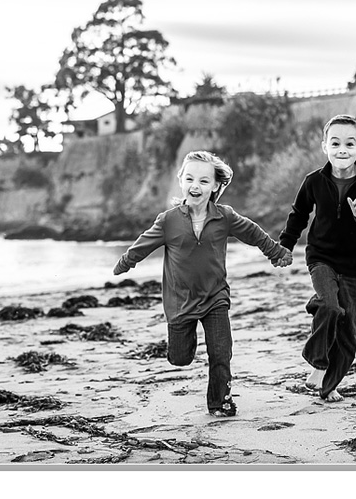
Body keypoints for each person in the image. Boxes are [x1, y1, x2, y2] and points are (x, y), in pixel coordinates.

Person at [113, 150, 293, 417]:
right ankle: (184, 343)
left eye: (203, 181)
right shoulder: (169, 220)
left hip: (215, 297)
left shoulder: (225, 217)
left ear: (216, 186)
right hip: (180, 301)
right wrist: (126, 262)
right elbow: (144, 243)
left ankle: (220, 402)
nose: (195, 186)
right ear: (181, 181)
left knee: (221, 352)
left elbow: (253, 233)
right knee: (180, 358)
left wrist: (275, 252)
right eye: (189, 179)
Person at [279, 114, 356, 402]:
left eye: (350, 143)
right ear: (324, 146)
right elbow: (298, 214)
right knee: (329, 306)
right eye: (336, 142)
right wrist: (285, 246)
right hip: (322, 257)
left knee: (349, 333)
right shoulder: (314, 181)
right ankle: (317, 363)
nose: (342, 149)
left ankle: (328, 387)